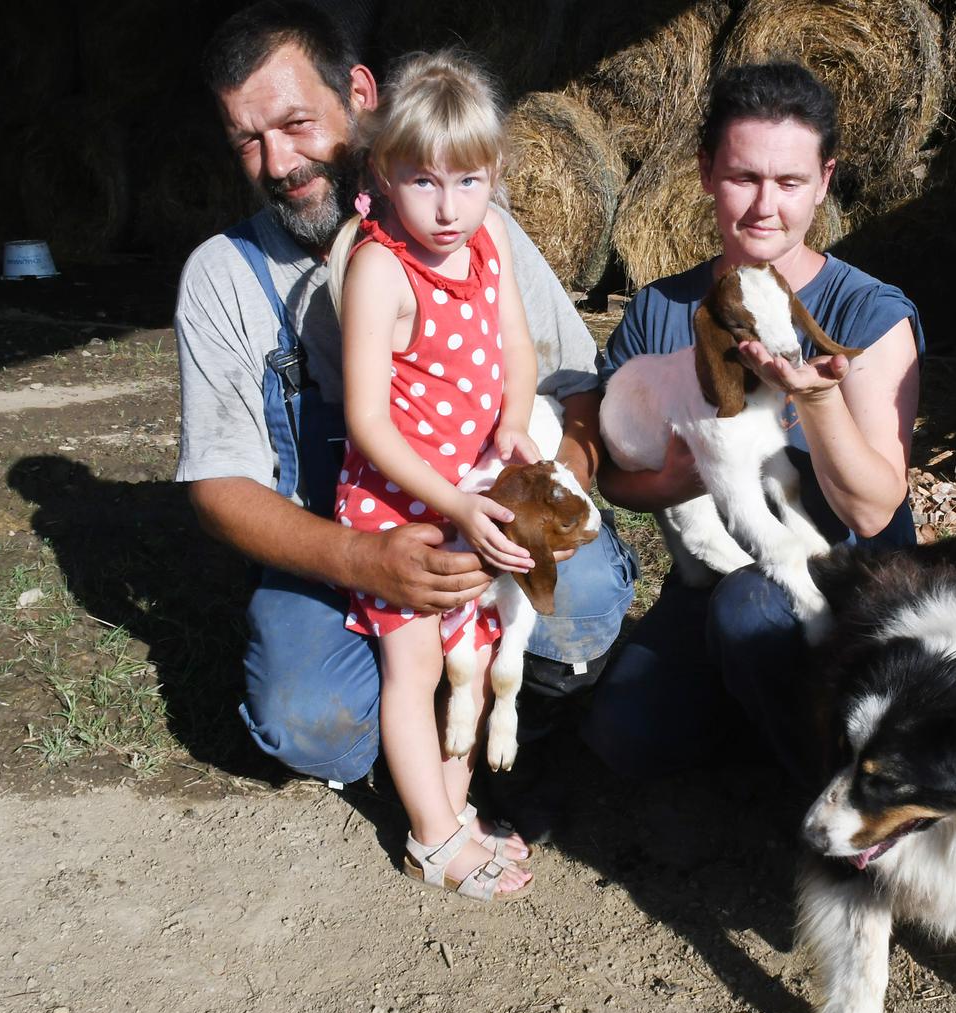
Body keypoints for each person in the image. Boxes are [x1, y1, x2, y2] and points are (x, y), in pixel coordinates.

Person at [173, 3, 636, 801]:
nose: (279, 161)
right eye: (248, 140)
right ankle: (412, 751)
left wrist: (533, 492)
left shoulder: (477, 229)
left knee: (584, 602)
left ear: (357, 93)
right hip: (347, 531)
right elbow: (217, 489)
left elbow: (575, 387)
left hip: (484, 499)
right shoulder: (222, 275)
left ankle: (498, 718)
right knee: (308, 718)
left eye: (295, 124)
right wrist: (363, 558)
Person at [585, 61, 922, 787]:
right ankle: (766, 710)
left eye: (790, 182)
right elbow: (617, 478)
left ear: (825, 181)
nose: (766, 205)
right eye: (743, 177)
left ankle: (838, 787)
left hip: (850, 569)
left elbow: (872, 506)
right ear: (706, 172)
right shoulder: (660, 310)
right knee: (627, 734)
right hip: (715, 562)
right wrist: (675, 477)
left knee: (751, 608)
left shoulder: (865, 314)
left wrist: (820, 399)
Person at [326, 50, 545, 900]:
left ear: (494, 176)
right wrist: (453, 496)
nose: (448, 207)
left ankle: (458, 816)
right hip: (399, 505)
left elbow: (519, 350)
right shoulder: (381, 266)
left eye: (469, 181)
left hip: (472, 494)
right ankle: (431, 837)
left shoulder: (488, 243)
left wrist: (515, 423)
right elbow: (366, 420)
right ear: (384, 172)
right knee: (414, 667)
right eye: (423, 182)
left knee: (477, 651)